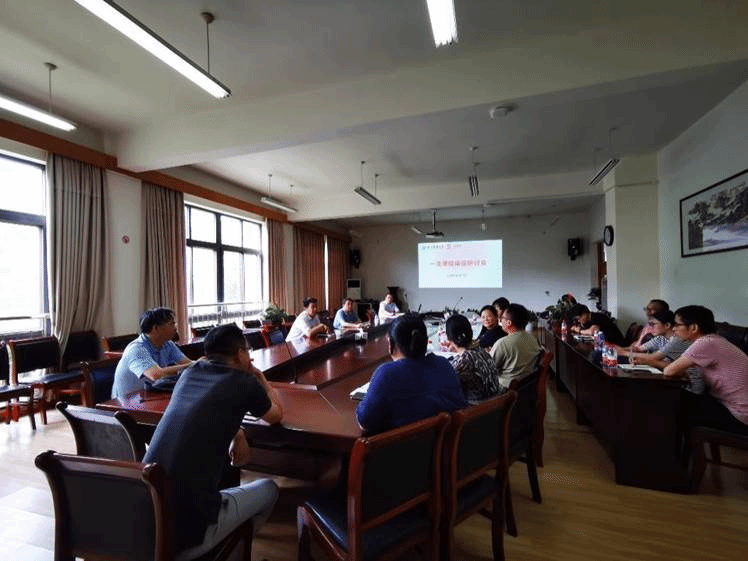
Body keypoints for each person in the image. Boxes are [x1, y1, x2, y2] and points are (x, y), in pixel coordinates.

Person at [143, 324, 283, 560]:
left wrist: (237, 432)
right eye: (247, 351)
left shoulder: (189, 373)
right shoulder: (244, 382)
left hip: (146, 525)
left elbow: (204, 411)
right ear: (240, 354)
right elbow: (276, 415)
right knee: (269, 489)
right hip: (186, 536)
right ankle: (231, 552)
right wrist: (261, 378)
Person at [356, 313, 467, 434]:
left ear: (391, 344)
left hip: (402, 445)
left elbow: (364, 422)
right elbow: (460, 407)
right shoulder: (443, 365)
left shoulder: (386, 374)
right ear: (426, 341)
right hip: (445, 443)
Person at [663, 305, 748, 435]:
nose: (674, 328)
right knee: (676, 397)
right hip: (731, 408)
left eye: (677, 324)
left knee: (670, 398)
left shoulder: (706, 343)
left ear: (694, 328)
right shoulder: (715, 340)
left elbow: (669, 371)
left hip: (740, 416)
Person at [112, 307, 194, 398]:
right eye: (172, 324)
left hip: (151, 394)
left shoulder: (167, 344)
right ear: (156, 328)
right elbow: (155, 375)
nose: (175, 327)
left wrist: (197, 364)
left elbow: (187, 363)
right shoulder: (137, 349)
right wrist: (194, 364)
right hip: (126, 401)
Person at [446, 314, 502, 403]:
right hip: (497, 405)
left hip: (477, 409)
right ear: (471, 332)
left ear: (449, 338)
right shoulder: (483, 352)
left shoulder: (461, 363)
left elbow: (446, 390)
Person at [489, 303, 543, 389]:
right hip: (526, 388)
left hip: (506, 391)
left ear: (509, 323)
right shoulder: (533, 339)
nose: (500, 320)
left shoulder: (502, 343)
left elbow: (488, 369)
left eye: (502, 318)